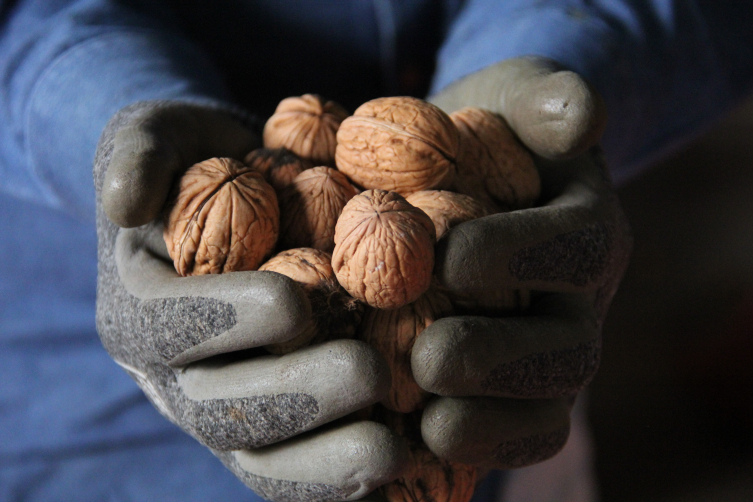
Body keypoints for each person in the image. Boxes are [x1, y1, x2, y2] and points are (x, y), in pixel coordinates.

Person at [0, 1, 751, 501]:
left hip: (485, 360)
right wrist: (81, 101)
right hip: (66, 383)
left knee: (460, 408)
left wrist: (572, 39)